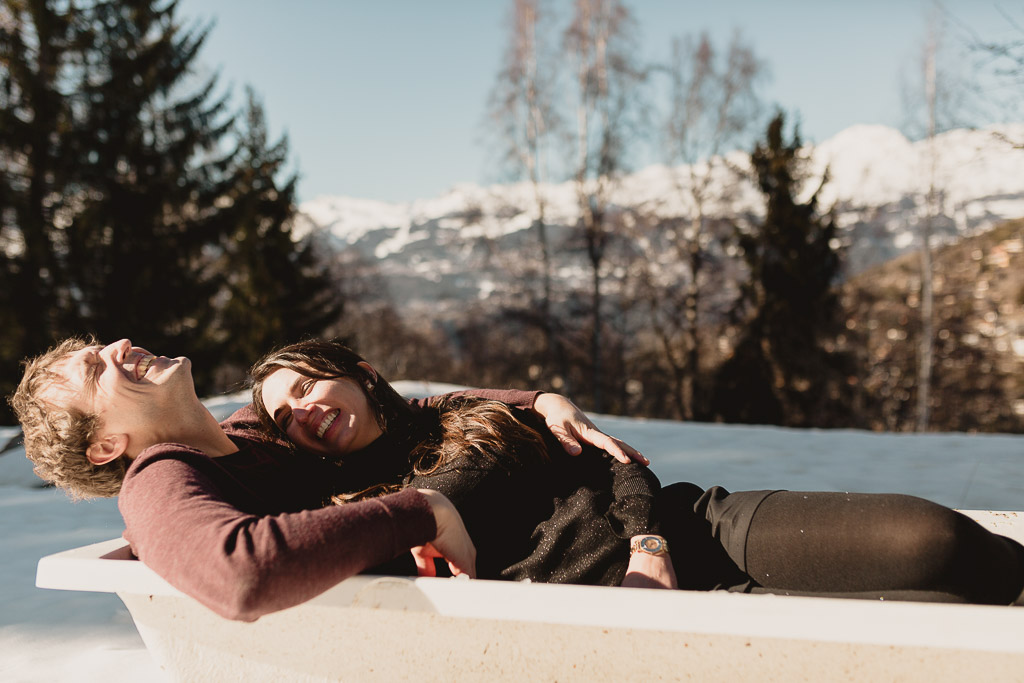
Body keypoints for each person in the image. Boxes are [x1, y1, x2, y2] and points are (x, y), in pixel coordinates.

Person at [252, 339, 1024, 605]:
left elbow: (617, 470)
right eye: (284, 417)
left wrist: (648, 546)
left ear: (357, 372)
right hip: (606, 621)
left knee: (932, 541)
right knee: (932, 627)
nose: (304, 412)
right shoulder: (360, 507)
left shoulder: (473, 415)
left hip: (691, 533)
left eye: (307, 387)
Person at [9, 336, 634, 620]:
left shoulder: (249, 432)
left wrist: (536, 399)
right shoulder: (161, 480)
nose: (119, 345)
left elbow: (399, 407)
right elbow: (241, 575)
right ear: (105, 447)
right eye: (96, 370)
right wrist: (419, 509)